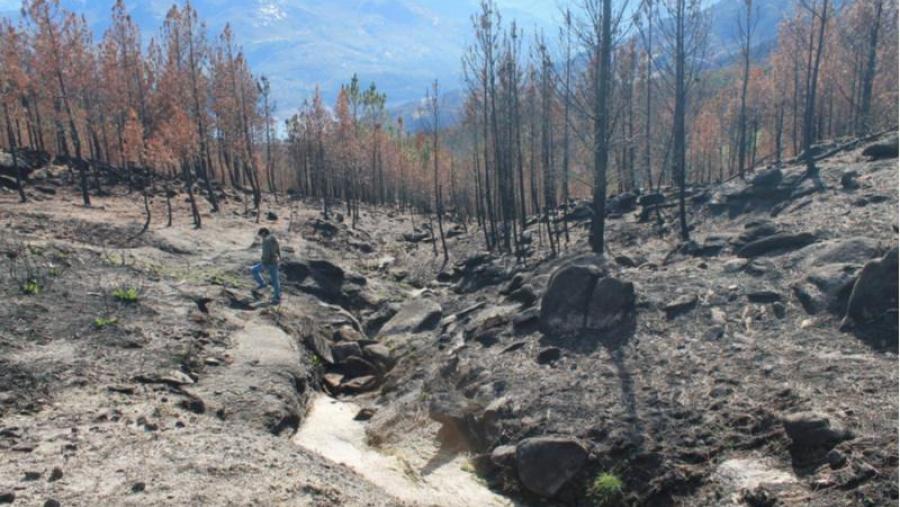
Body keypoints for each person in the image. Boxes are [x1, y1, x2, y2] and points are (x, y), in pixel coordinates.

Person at [250, 228, 281, 305]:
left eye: (261, 235)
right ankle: (277, 297)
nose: (261, 237)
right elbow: (278, 250)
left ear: (264, 233)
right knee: (275, 280)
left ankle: (262, 284)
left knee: (254, 270)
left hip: (268, 263)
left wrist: (264, 263)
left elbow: (266, 253)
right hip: (275, 262)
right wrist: (279, 258)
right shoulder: (275, 239)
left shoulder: (266, 241)